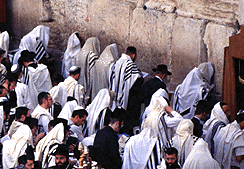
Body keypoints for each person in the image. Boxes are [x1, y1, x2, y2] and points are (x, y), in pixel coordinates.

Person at [109, 46, 143, 135]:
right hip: (128, 100)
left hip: (115, 97)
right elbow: (137, 79)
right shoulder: (131, 65)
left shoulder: (115, 63)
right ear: (133, 55)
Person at [73, 37, 101, 105]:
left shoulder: (78, 54)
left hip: (78, 83)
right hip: (88, 85)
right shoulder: (92, 56)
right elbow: (93, 74)